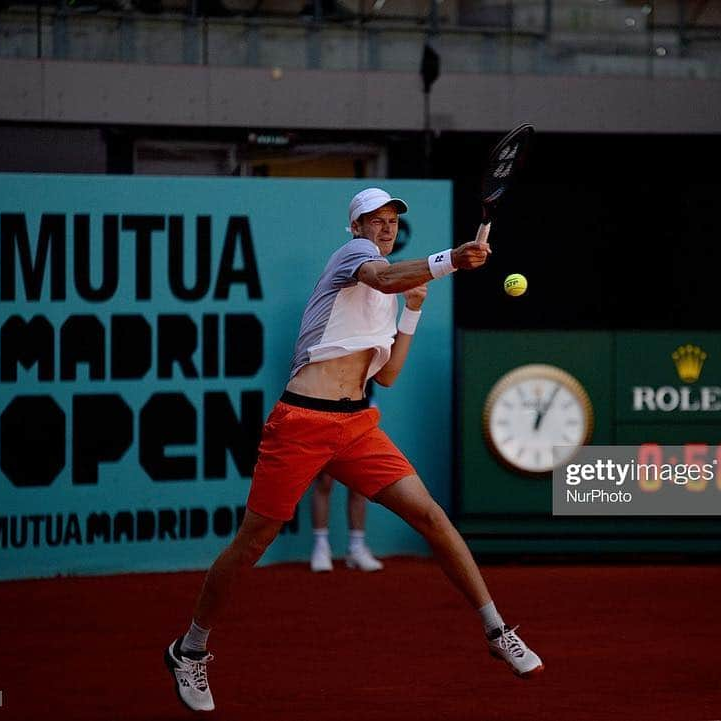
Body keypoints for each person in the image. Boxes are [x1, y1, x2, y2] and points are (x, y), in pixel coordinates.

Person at [164, 187, 544, 712]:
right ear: (356, 225)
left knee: (432, 517)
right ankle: (191, 648)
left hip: (356, 425)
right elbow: (384, 274)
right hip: (301, 422)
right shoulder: (354, 258)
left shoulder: (387, 299)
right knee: (254, 542)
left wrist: (410, 312)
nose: (385, 227)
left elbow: (385, 376)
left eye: (392, 220)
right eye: (376, 219)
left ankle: (497, 630)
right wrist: (451, 260)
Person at [309, 381, 385, 573]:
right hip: (325, 405)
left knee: (359, 483)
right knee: (324, 480)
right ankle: (320, 547)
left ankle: (357, 548)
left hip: (362, 405)